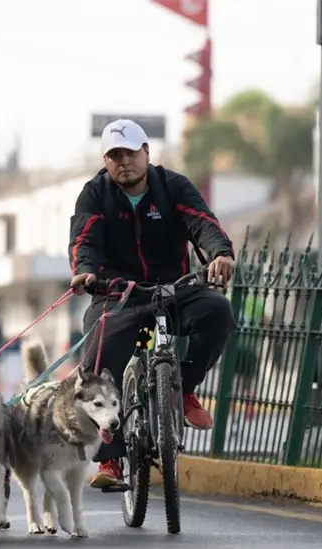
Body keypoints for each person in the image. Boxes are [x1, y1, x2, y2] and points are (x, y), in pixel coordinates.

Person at [68, 119, 237, 489]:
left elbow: (203, 223)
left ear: (146, 153)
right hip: (117, 294)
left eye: (130, 152)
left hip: (173, 290)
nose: (123, 161)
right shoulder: (94, 193)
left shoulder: (173, 186)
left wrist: (220, 253)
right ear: (105, 160)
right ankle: (110, 461)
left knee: (218, 311)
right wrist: (84, 271)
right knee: (100, 351)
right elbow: (84, 239)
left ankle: (183, 388)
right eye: (114, 155)